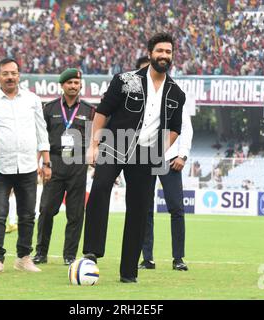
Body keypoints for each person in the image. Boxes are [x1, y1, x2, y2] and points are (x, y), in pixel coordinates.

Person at [83, 33, 185, 283]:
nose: (164, 55)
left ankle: (129, 272)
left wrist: (159, 151)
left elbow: (175, 129)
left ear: (172, 56)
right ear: (150, 53)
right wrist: (93, 145)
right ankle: (92, 251)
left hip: (147, 154)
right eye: (160, 51)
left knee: (139, 210)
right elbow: (102, 112)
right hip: (115, 144)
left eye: (168, 52)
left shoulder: (176, 93)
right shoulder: (125, 80)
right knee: (100, 188)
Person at [0, 58, 51, 274]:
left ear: (19, 75)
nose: (10, 77)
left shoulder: (32, 99)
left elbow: (42, 131)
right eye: (5, 73)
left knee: (27, 215)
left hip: (27, 166)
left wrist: (46, 162)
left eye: (14, 73)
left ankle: (23, 257)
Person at [33, 68, 95, 266]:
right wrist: (41, 162)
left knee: (76, 213)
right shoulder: (49, 108)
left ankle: (69, 255)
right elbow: (41, 138)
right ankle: (41, 252)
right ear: (62, 85)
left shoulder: (89, 110)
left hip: (77, 163)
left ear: (80, 85)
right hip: (55, 162)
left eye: (77, 83)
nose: (73, 86)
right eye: (69, 83)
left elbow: (96, 137)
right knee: (46, 210)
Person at [139, 82, 193, 271]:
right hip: (144, 158)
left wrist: (182, 155)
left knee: (176, 208)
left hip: (169, 159)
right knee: (144, 209)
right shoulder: (139, 97)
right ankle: (147, 259)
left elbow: (186, 127)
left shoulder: (173, 94)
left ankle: (178, 258)